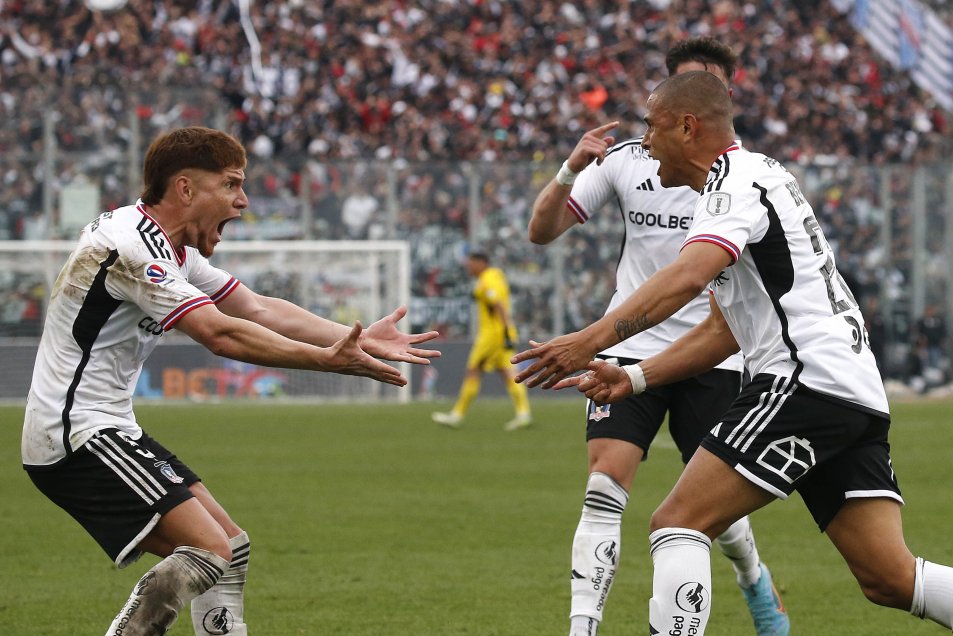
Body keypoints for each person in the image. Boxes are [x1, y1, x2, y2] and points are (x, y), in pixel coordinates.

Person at [515, 71, 953, 633]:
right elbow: (723, 331)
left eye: (651, 126)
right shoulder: (757, 177)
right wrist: (636, 378)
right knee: (890, 578)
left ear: (687, 127)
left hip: (803, 380)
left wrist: (587, 341)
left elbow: (688, 277)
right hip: (851, 390)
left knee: (678, 523)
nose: (645, 142)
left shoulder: (732, 183)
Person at [21, 126, 441, 636]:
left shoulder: (173, 249)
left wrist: (360, 339)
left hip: (109, 428)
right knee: (207, 549)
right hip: (74, 433)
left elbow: (257, 308)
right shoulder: (132, 247)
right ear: (185, 189)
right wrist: (327, 361)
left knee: (230, 548)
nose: (243, 201)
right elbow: (219, 334)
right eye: (231, 184)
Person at [528, 37, 788, 636]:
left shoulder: (747, 177)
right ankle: (582, 628)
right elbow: (541, 231)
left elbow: (698, 275)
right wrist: (570, 168)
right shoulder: (627, 159)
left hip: (713, 349)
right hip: (627, 346)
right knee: (603, 486)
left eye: (713, 84)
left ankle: (753, 578)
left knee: (714, 509)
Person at [431, 251, 532, 431]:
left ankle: (457, 415)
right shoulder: (496, 275)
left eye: (471, 264)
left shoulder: (487, 280)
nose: (468, 268)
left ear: (481, 263)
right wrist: (508, 332)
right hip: (502, 334)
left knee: (473, 371)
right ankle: (524, 414)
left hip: (492, 336)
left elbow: (498, 304)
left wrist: (506, 331)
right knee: (508, 373)